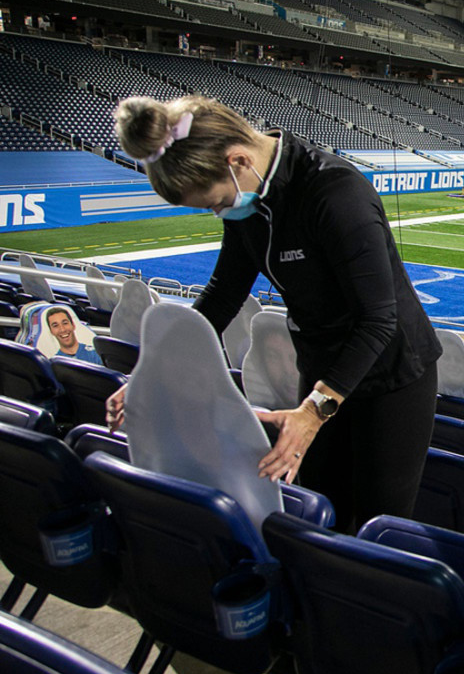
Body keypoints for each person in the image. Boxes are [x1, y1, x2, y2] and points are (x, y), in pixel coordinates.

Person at [107, 96, 442, 533]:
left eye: (214, 201)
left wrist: (312, 412)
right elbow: (223, 295)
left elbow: (378, 318)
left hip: (393, 374)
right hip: (322, 369)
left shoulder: (334, 193)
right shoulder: (249, 196)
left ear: (238, 161)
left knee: (380, 526)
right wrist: (153, 371)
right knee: (324, 514)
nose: (218, 212)